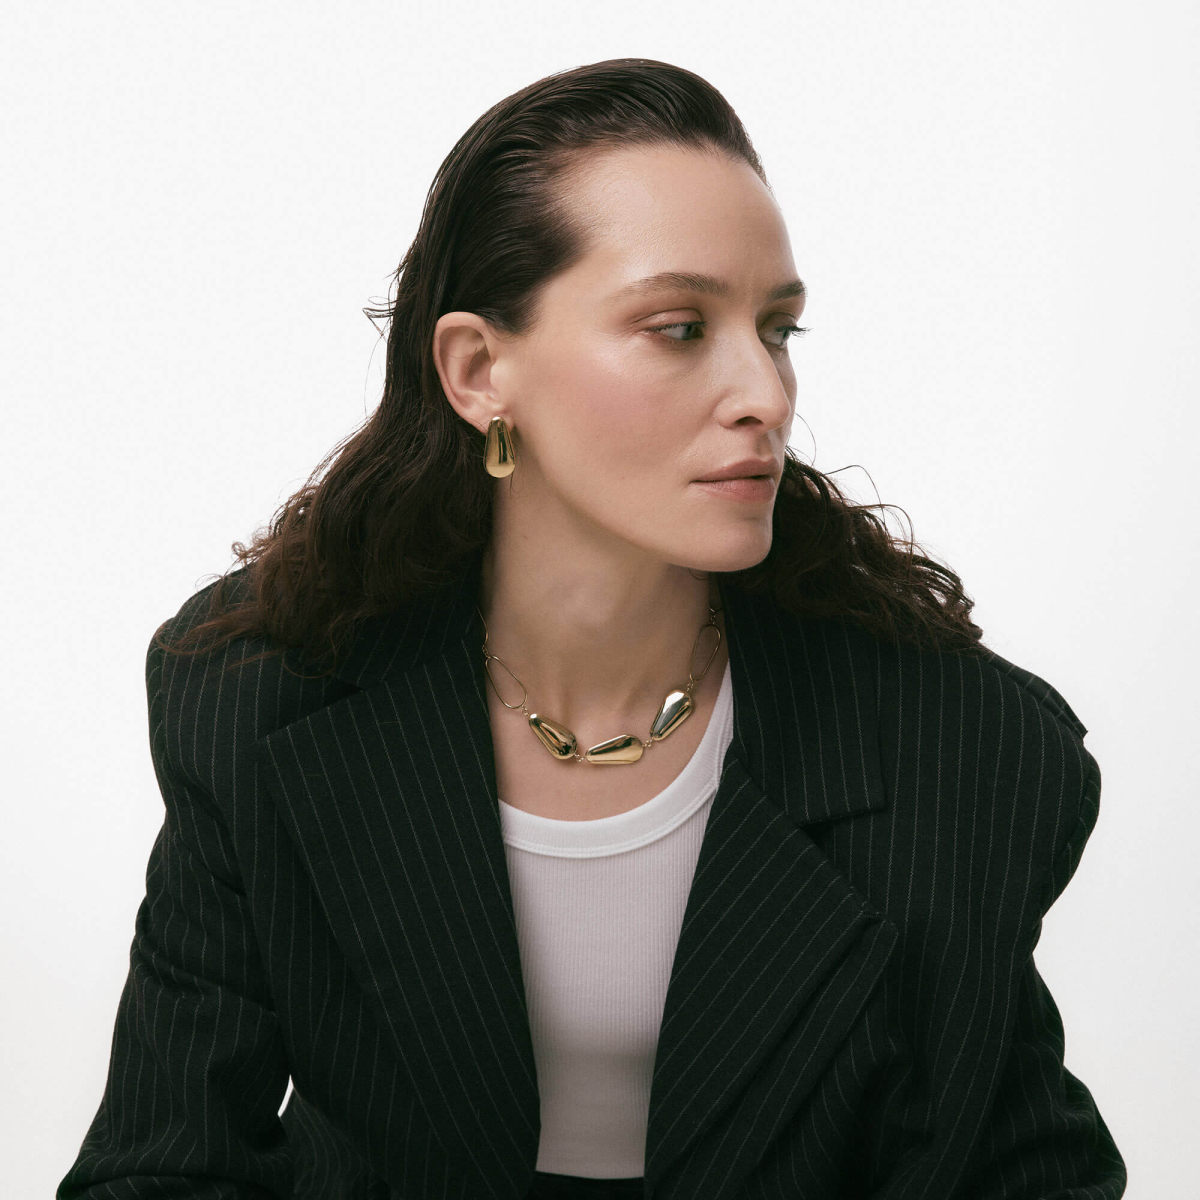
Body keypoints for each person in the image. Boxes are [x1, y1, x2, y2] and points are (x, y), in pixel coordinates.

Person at [58, 58, 1126, 1200]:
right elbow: (163, 1166)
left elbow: (1016, 1167)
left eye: (778, 330)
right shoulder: (264, 694)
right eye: (679, 327)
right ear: (479, 370)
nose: (766, 394)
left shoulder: (957, 749)